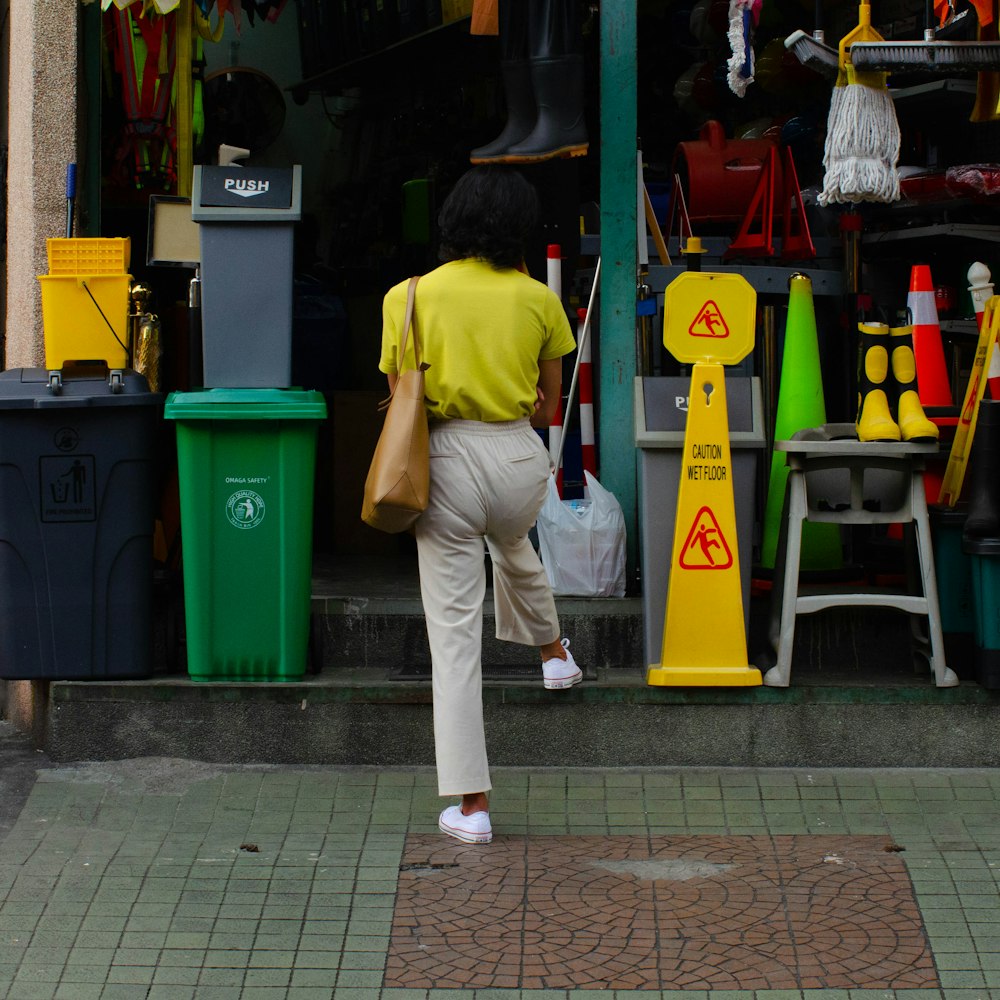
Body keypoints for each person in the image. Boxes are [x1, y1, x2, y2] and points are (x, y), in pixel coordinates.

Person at [378, 165, 583, 845]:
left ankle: (472, 807)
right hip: (521, 464)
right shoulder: (538, 300)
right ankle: (553, 652)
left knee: (455, 642)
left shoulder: (406, 297)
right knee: (511, 539)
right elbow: (548, 403)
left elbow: (398, 392)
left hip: (446, 463)